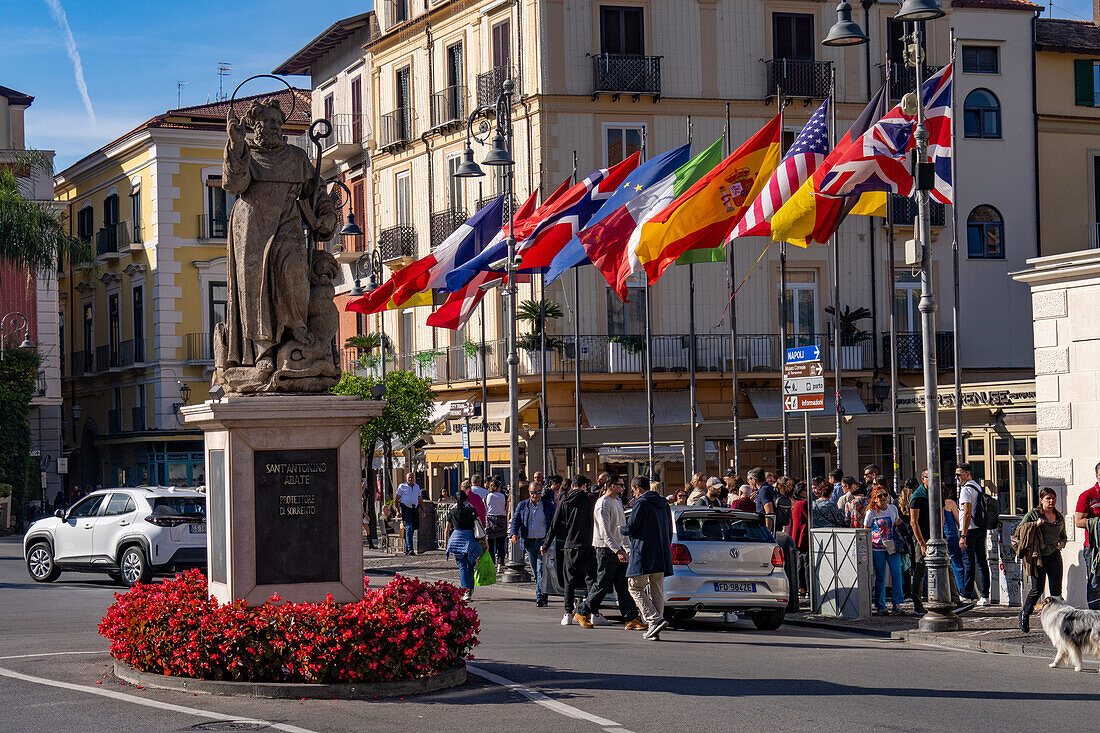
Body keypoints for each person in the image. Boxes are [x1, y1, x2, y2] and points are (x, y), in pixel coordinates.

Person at [574, 476, 645, 630]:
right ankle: (582, 611)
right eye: (620, 485)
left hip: (617, 548)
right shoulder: (602, 504)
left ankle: (631, 618)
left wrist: (627, 549)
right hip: (605, 549)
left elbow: (622, 529)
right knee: (602, 584)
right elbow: (605, 533)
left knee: (622, 584)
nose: (623, 488)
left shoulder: (617, 502)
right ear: (612, 486)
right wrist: (618, 550)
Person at [622, 475, 673, 640]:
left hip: (643, 553)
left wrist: (621, 528)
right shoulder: (663, 504)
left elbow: (632, 527)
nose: (633, 493)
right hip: (661, 553)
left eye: (633, 490)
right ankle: (654, 628)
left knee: (634, 587)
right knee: (657, 590)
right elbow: (669, 529)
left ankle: (654, 619)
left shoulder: (641, 503)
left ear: (638, 488)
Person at [543, 474, 597, 626]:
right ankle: (592, 612)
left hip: (569, 545)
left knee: (569, 581)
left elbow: (554, 525)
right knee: (590, 580)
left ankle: (567, 613)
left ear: (572, 486)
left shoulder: (564, 501)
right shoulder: (590, 500)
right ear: (584, 485)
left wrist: (546, 545)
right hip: (587, 544)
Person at [1019, 487, 1068, 632]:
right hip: (1038, 556)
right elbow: (1019, 530)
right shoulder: (1034, 515)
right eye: (1048, 498)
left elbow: (1063, 535)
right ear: (1041, 500)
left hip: (1054, 555)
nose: (1051, 501)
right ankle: (1025, 614)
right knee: (1037, 589)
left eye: (1053, 498)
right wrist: (1035, 524)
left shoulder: (1059, 517)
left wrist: (1062, 542)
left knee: (1056, 591)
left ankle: (1058, 620)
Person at [510, 481, 556, 607]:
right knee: (535, 572)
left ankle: (540, 597)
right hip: (529, 542)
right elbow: (516, 520)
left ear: (541, 492)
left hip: (543, 543)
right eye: (532, 492)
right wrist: (514, 533)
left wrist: (550, 540)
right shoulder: (523, 505)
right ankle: (542, 592)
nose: (535, 495)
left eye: (537, 492)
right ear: (529, 492)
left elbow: (554, 523)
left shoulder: (548, 506)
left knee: (541, 570)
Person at [864, 487, 905, 615]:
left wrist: (899, 523)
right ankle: (880, 605)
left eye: (885, 495)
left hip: (892, 546)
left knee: (896, 574)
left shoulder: (893, 509)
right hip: (877, 547)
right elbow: (866, 529)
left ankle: (897, 603)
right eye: (879, 496)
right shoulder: (871, 512)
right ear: (874, 499)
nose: (883, 498)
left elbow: (896, 525)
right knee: (880, 576)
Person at [956, 463, 990, 606]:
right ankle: (985, 595)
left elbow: (967, 512)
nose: (956, 477)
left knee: (968, 562)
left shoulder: (965, 490)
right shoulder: (977, 486)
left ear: (967, 474)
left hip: (969, 530)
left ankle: (966, 594)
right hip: (980, 528)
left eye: (959, 474)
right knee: (982, 561)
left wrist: (963, 535)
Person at [444, 490, 485, 601]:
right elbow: (479, 524)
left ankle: (465, 589)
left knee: (462, 567)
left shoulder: (452, 511)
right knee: (470, 564)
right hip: (470, 539)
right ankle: (470, 589)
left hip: (456, 539)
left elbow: (447, 529)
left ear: (456, 500)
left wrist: (446, 543)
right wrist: (484, 540)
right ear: (466, 499)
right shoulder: (471, 510)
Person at [1074, 461, 1100, 610]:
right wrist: (1098, 523)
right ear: (1097, 475)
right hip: (1094, 549)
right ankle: (1095, 621)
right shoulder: (1087, 496)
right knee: (1095, 584)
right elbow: (1078, 521)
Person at [485, 479, 509, 572]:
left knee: (490, 543)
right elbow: (506, 508)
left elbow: (486, 507)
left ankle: (492, 563)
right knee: (500, 543)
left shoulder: (488, 496)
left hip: (490, 518)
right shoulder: (503, 496)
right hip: (501, 518)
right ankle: (500, 563)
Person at [396, 472, 421, 556]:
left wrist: (423, 510)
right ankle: (410, 548)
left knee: (412, 529)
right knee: (409, 528)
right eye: (409, 477)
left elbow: (419, 499)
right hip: (406, 509)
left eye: (412, 477)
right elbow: (396, 500)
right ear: (406, 478)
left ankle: (406, 549)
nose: (411, 479)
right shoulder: (402, 486)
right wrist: (397, 511)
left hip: (414, 509)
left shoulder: (417, 487)